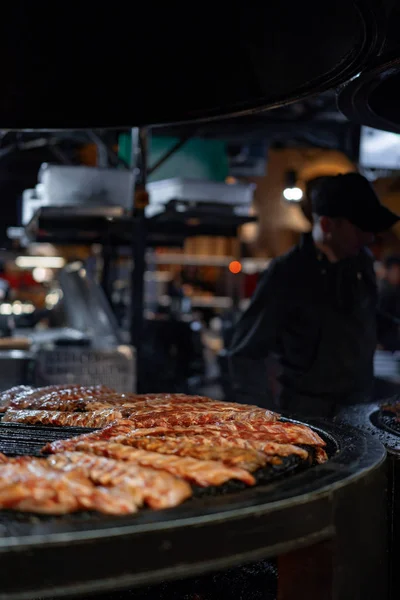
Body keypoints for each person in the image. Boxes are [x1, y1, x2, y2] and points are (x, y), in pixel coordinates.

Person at [228, 173, 400, 417]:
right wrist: (262, 416)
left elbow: (366, 317)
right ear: (327, 225)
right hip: (307, 413)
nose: (369, 237)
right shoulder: (288, 273)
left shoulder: (360, 262)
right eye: (361, 228)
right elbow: (245, 353)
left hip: (359, 408)